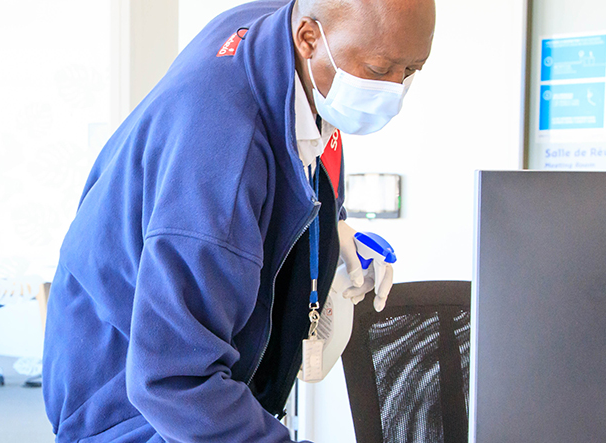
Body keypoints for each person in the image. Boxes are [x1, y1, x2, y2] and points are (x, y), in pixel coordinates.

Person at [42, 0, 434, 441]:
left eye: (413, 69)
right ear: (309, 39)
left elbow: (296, 149)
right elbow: (177, 380)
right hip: (132, 404)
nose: (394, 90)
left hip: (179, 369)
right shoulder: (223, 157)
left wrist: (330, 227)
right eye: (380, 69)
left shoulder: (276, 32)